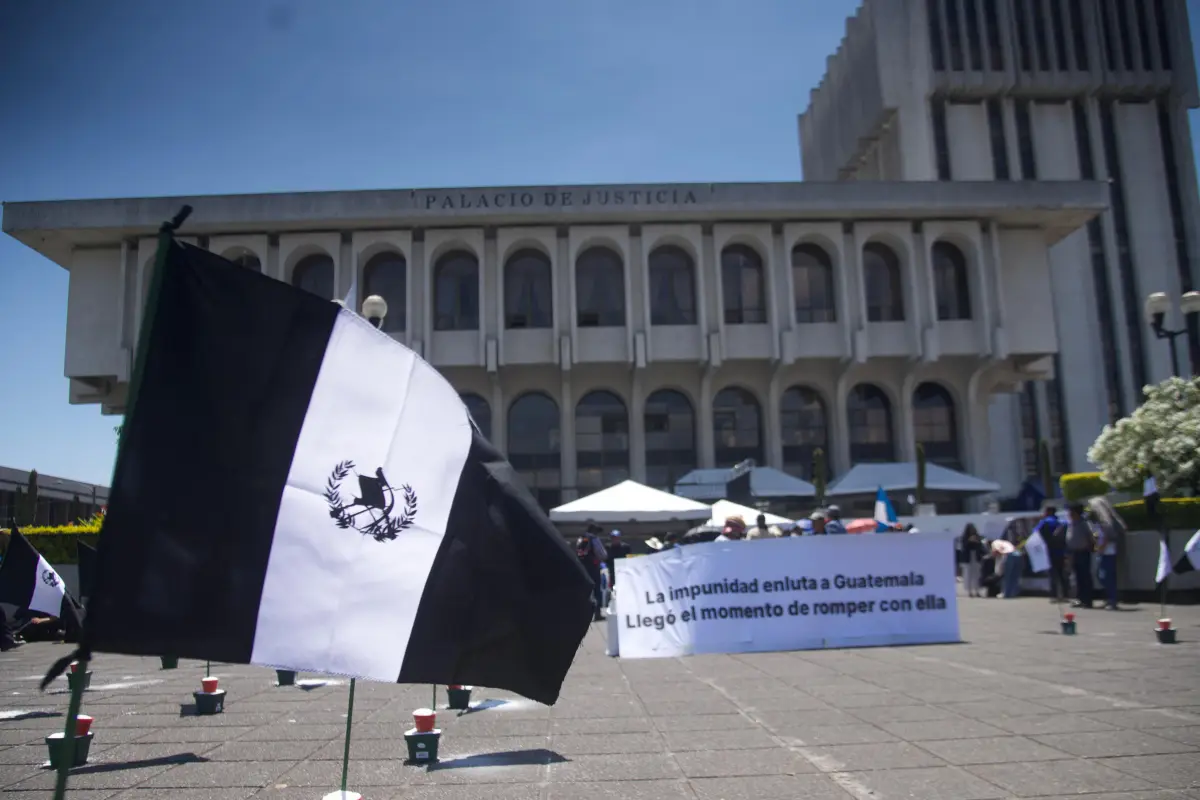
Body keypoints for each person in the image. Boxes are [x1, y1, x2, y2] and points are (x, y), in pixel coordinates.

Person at [1034, 506, 1069, 602]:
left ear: (1048, 512)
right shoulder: (1062, 522)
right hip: (1062, 551)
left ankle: (1054, 595)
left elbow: (1035, 533)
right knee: (1062, 574)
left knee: (1053, 574)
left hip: (1049, 552)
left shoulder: (1045, 522)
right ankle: (1065, 595)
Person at [1065, 503, 1096, 609]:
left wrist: (1090, 547)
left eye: (1071, 512)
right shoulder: (1071, 524)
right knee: (1077, 577)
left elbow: (1090, 537)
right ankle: (1080, 599)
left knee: (1085, 576)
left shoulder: (1084, 524)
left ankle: (1087, 600)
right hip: (1074, 553)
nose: (1069, 514)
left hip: (1083, 552)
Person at [575, 533, 605, 621]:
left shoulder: (580, 539)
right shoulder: (594, 539)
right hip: (593, 569)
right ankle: (597, 613)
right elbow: (602, 554)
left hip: (583, 569)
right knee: (596, 592)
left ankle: (583, 615)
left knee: (585, 592)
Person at [961, 524, 985, 597]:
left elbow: (981, 547)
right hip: (968, 557)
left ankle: (977, 591)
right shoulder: (964, 538)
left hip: (976, 557)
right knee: (968, 575)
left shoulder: (977, 537)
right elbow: (964, 547)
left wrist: (976, 541)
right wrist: (969, 541)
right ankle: (970, 591)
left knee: (977, 575)